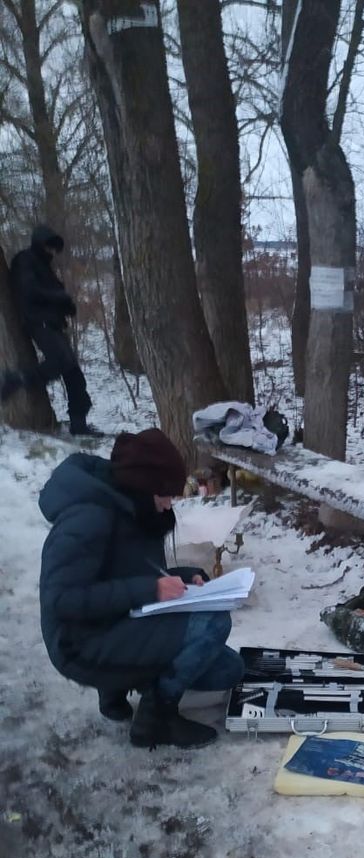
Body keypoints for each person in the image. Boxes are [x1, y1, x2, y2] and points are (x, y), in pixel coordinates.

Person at [38, 427, 244, 749]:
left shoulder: (135, 508)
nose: (168, 505)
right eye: (165, 495)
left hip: (117, 623)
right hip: (80, 643)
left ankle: (121, 687)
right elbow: (62, 599)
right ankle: (156, 720)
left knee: (228, 670)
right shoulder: (87, 518)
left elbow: (133, 571)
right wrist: (150, 590)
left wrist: (184, 577)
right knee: (213, 623)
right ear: (145, 486)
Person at [0, 224, 99, 436]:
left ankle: (78, 424)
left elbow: (54, 294)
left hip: (53, 323)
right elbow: (29, 291)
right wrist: (58, 298)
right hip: (38, 321)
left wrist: (67, 305)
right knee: (60, 362)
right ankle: (15, 379)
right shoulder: (24, 260)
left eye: (54, 248)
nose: (51, 252)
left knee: (74, 374)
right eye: (48, 246)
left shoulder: (46, 268)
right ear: (39, 242)